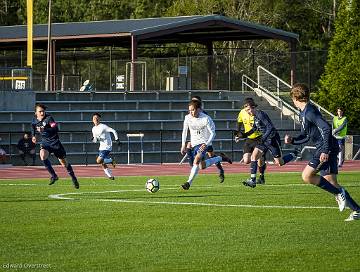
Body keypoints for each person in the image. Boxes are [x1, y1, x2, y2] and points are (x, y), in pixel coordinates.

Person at [285, 83, 359, 221]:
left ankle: (338, 194)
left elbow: (326, 128)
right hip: (325, 147)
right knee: (331, 181)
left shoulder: (310, 111)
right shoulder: (303, 113)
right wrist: (293, 141)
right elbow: (306, 135)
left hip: (326, 148)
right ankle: (357, 210)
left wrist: (325, 150)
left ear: (295, 98)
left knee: (307, 176)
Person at [241, 99, 297, 188]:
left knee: (280, 163)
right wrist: (243, 135)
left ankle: (294, 153)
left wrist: (263, 138)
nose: (247, 112)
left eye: (248, 110)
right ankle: (252, 180)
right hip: (264, 140)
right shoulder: (255, 117)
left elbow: (270, 127)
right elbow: (254, 129)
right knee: (253, 157)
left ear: (253, 107)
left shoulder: (260, 114)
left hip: (272, 139)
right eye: (246, 110)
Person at [180, 100, 232, 190]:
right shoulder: (187, 118)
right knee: (201, 166)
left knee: (196, 160)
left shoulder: (206, 119)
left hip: (203, 143)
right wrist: (183, 144)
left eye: (193, 110)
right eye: (189, 110)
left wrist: (206, 144)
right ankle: (220, 158)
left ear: (199, 109)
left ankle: (188, 183)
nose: (191, 112)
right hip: (194, 144)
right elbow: (184, 131)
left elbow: (213, 133)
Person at [31, 103, 79, 189]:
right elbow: (33, 127)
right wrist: (33, 136)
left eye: (43, 111)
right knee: (42, 155)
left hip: (55, 143)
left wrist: (45, 128)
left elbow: (55, 128)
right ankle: (54, 176)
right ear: (36, 113)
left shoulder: (49, 118)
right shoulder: (34, 120)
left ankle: (73, 178)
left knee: (64, 163)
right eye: (40, 111)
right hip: (45, 143)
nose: (42, 113)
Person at [235, 97, 267, 184]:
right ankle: (259, 157)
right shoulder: (242, 112)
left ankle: (261, 176)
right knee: (246, 160)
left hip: (259, 138)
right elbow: (239, 123)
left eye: (250, 108)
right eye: (246, 108)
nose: (248, 110)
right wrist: (237, 134)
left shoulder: (257, 113)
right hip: (249, 139)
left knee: (258, 159)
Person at [91, 113, 119, 180]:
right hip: (101, 147)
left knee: (98, 161)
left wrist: (117, 139)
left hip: (107, 146)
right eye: (94, 118)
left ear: (99, 119)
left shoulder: (103, 126)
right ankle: (110, 176)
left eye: (97, 118)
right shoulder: (93, 129)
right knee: (102, 163)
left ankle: (111, 160)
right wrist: (93, 139)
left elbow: (113, 131)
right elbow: (95, 139)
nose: (96, 119)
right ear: (92, 120)